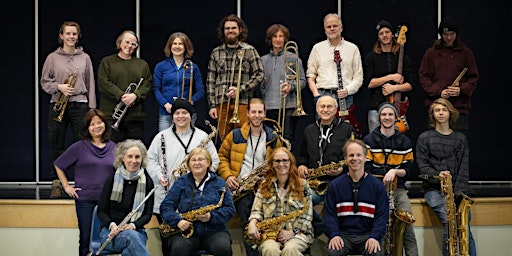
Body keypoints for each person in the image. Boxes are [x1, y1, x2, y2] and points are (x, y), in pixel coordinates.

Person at [146, 98, 219, 256]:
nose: (181, 116)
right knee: (169, 241)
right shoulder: (161, 137)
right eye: (177, 113)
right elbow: (149, 160)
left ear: (191, 115)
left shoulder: (202, 136)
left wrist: (201, 178)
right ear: (172, 116)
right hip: (167, 194)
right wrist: (159, 176)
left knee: (189, 241)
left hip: (195, 197)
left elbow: (214, 161)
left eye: (184, 113)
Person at [217, 98, 283, 256]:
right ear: (247, 114)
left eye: (260, 112)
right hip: (241, 188)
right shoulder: (235, 135)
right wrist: (228, 176)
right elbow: (221, 158)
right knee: (247, 214)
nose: (257, 115)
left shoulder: (273, 137)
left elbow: (281, 162)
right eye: (253, 112)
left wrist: (271, 171)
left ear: (265, 114)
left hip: (265, 186)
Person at [40, 21, 96, 198]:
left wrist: (92, 109)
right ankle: (57, 184)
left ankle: (83, 181)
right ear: (61, 36)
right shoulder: (52, 58)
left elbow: (90, 84)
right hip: (58, 103)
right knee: (56, 144)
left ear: (78, 36)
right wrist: (59, 87)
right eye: (68, 33)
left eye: (74, 34)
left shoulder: (85, 57)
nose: (71, 37)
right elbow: (44, 82)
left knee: (83, 145)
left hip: (80, 103)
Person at [416, 98, 476, 256]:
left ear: (450, 113)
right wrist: (437, 176)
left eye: (444, 110)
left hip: (457, 191)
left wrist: (458, 194)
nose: (441, 113)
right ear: (432, 115)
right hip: (434, 191)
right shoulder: (424, 138)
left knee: (464, 228)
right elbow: (422, 168)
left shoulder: (460, 139)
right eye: (437, 110)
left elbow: (464, 168)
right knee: (451, 222)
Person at [54, 109, 116, 256]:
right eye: (92, 124)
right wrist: (66, 186)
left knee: (105, 238)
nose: (96, 126)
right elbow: (59, 164)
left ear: (105, 124)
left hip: (107, 201)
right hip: (85, 200)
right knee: (86, 238)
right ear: (87, 128)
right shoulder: (79, 147)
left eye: (99, 122)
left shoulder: (114, 147)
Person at [363, 103, 418, 256]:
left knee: (408, 227)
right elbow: (366, 169)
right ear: (379, 118)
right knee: (376, 228)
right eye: (383, 115)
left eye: (390, 115)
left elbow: (409, 169)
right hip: (376, 190)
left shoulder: (405, 141)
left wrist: (394, 171)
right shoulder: (369, 139)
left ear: (396, 118)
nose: (387, 117)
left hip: (398, 190)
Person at [160, 147, 235, 256]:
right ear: (189, 164)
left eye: (201, 159)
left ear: (208, 162)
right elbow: (166, 206)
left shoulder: (220, 183)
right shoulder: (181, 182)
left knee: (223, 248)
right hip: (186, 231)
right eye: (193, 160)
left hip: (214, 231)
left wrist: (211, 217)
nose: (197, 163)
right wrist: (178, 221)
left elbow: (229, 209)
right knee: (178, 249)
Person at [297, 95, 354, 237]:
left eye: (329, 106)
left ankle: (332, 234)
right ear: (316, 109)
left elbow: (355, 157)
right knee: (301, 201)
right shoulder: (309, 130)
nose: (325, 109)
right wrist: (302, 165)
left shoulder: (347, 128)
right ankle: (319, 227)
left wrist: (342, 169)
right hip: (315, 182)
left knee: (337, 211)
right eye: (322, 106)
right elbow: (303, 155)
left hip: (339, 182)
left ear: (336, 109)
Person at [419, 16, 479, 142]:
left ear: (456, 34)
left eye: (452, 34)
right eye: (445, 34)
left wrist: (461, 90)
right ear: (441, 35)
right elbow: (423, 78)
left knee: (459, 147)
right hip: (436, 107)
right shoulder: (431, 53)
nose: (449, 38)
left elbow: (473, 78)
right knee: (434, 146)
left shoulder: (465, 53)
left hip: (459, 108)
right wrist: (439, 92)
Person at [324, 139, 388, 256]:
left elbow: (382, 217)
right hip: (343, 235)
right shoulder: (335, 186)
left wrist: (374, 236)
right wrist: (334, 234)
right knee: (333, 252)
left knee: (376, 253)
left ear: (365, 158)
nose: (355, 158)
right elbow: (329, 215)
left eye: (359, 155)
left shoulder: (377, 186)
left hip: (368, 234)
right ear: (345, 159)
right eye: (351, 155)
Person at [206, 14, 264, 143]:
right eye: (227, 28)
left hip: (243, 102)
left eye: (233, 28)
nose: (230, 31)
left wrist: (240, 89)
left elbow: (259, 74)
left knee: (242, 138)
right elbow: (210, 81)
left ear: (240, 30)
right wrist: (212, 105)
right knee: (224, 140)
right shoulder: (216, 52)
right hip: (221, 102)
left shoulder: (250, 50)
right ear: (223, 31)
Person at [247, 147, 314, 256]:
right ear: (272, 164)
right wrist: (252, 223)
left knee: (290, 250)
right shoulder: (264, 185)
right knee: (270, 250)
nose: (281, 164)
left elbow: (307, 215)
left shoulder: (303, 185)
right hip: (270, 234)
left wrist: (292, 232)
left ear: (290, 163)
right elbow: (256, 211)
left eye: (285, 160)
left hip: (298, 233)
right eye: (277, 161)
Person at [306, 13, 363, 136]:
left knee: (345, 133)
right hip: (323, 94)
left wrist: (347, 90)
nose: (332, 29)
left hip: (345, 97)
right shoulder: (317, 48)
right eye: (328, 26)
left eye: (335, 26)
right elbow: (310, 75)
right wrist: (317, 95)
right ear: (325, 29)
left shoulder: (352, 48)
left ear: (341, 28)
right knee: (322, 133)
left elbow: (358, 76)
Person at [96, 139, 155, 256]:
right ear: (122, 158)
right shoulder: (112, 179)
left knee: (131, 248)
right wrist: (112, 225)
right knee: (133, 239)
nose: (134, 161)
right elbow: (101, 211)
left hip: (137, 231)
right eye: (130, 156)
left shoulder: (148, 182)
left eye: (137, 157)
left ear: (142, 159)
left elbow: (147, 214)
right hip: (110, 233)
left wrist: (133, 225)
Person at [98, 29, 153, 143]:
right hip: (110, 115)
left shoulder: (142, 64)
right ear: (120, 42)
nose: (130, 46)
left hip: (135, 117)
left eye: (133, 44)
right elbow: (103, 83)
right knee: (111, 153)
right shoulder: (107, 61)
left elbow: (147, 84)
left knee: (134, 152)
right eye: (127, 42)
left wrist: (135, 95)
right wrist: (122, 95)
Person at [260, 24, 307, 150]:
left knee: (286, 139)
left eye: (281, 36)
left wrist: (291, 87)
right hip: (269, 106)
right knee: (269, 140)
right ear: (270, 39)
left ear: (285, 38)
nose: (278, 39)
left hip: (289, 106)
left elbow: (302, 81)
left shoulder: (293, 58)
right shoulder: (263, 60)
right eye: (275, 36)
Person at [364, 20, 415, 133]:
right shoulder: (371, 58)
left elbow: (411, 84)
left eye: (387, 32)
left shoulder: (403, 58)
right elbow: (369, 83)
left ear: (393, 35)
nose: (385, 35)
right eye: (381, 33)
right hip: (376, 108)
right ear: (378, 37)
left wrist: (395, 88)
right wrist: (391, 77)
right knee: (374, 144)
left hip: (397, 110)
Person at [153, 32, 205, 131]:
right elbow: (156, 89)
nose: (177, 46)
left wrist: (189, 102)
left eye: (180, 44)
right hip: (166, 113)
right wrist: (166, 104)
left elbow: (200, 91)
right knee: (165, 144)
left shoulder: (193, 67)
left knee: (187, 143)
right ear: (170, 46)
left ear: (185, 47)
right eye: (174, 44)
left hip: (187, 113)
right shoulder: (161, 66)